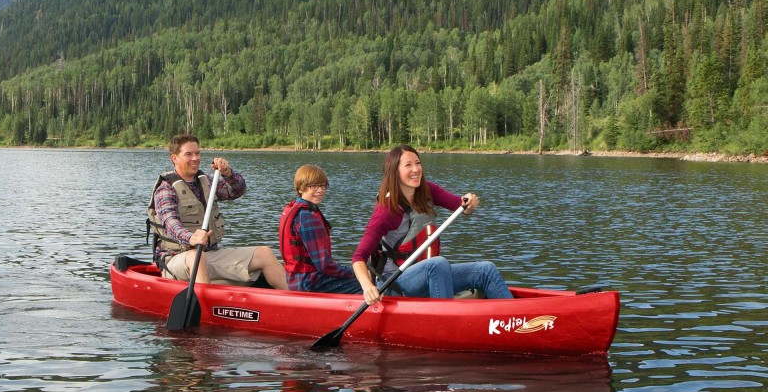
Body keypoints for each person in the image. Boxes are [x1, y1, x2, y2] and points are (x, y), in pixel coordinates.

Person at [351, 144, 514, 305]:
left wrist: (469, 202)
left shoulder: (427, 191)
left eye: (418, 163)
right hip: (395, 283)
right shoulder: (386, 211)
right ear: (395, 172)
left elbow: (461, 206)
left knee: (486, 270)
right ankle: (445, 323)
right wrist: (368, 287)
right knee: (438, 264)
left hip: (429, 275)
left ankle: (515, 322)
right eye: (408, 165)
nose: (415, 169)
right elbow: (358, 257)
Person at [148, 133, 288, 290]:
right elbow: (169, 222)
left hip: (210, 254)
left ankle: (296, 303)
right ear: (174, 158)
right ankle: (203, 307)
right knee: (196, 256)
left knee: (265, 254)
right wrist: (191, 238)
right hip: (176, 259)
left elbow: (236, 191)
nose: (195, 158)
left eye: (197, 153)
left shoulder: (207, 181)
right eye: (188, 154)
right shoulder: (165, 188)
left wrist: (228, 173)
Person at [279, 164, 362, 294]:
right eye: (314, 186)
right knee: (367, 283)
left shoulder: (294, 209)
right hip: (310, 283)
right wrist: (359, 272)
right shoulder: (307, 217)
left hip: (296, 280)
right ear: (301, 188)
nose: (320, 190)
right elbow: (324, 265)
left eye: (323, 186)